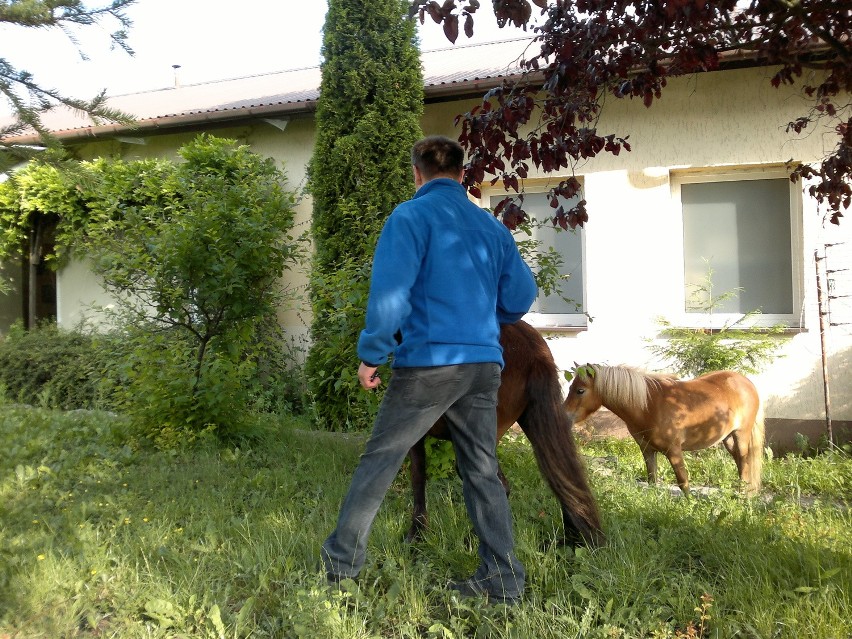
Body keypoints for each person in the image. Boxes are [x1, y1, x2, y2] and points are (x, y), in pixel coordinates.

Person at [320, 135, 538, 605]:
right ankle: (502, 580)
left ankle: (339, 572)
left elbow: (390, 297)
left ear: (416, 173)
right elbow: (520, 298)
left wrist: (372, 354)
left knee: (379, 461)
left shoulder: (410, 217)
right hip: (483, 366)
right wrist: (481, 321)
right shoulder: (491, 227)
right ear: (462, 174)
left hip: (429, 367)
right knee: (481, 470)